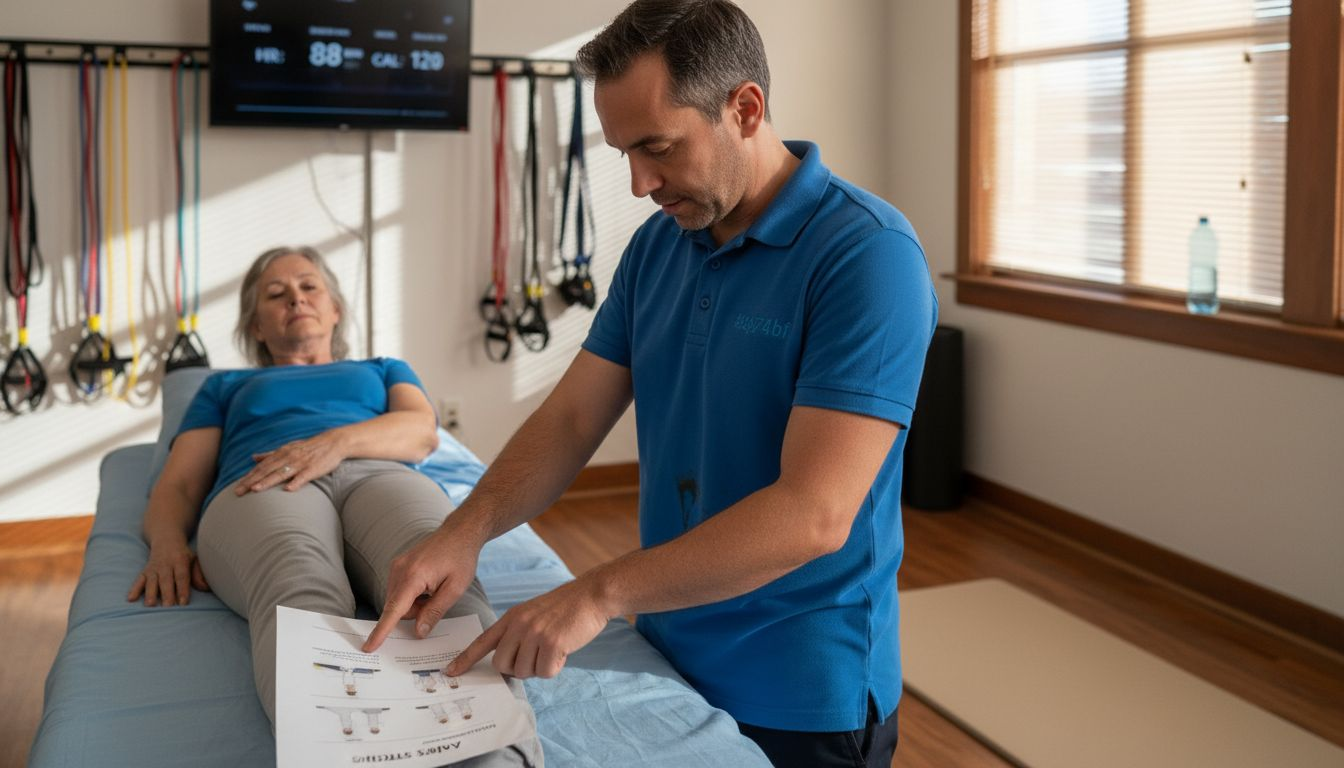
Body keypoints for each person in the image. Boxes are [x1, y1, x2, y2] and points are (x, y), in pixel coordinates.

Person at [366, 1, 937, 765]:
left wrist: (596, 594)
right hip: (667, 644)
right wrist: (464, 532)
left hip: (801, 688)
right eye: (623, 153)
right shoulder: (660, 247)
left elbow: (814, 514)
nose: (640, 183)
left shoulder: (866, 256)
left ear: (745, 108)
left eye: (657, 148)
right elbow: (572, 419)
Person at [127, 246, 542, 768]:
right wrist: (167, 542)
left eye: (309, 286)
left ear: (335, 309)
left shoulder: (383, 368)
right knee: (300, 586)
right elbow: (180, 483)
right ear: (256, 326)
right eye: (276, 295)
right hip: (264, 482)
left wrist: (336, 443)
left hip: (379, 471)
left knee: (437, 580)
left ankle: (497, 758)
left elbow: (420, 433)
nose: (295, 298)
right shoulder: (226, 386)